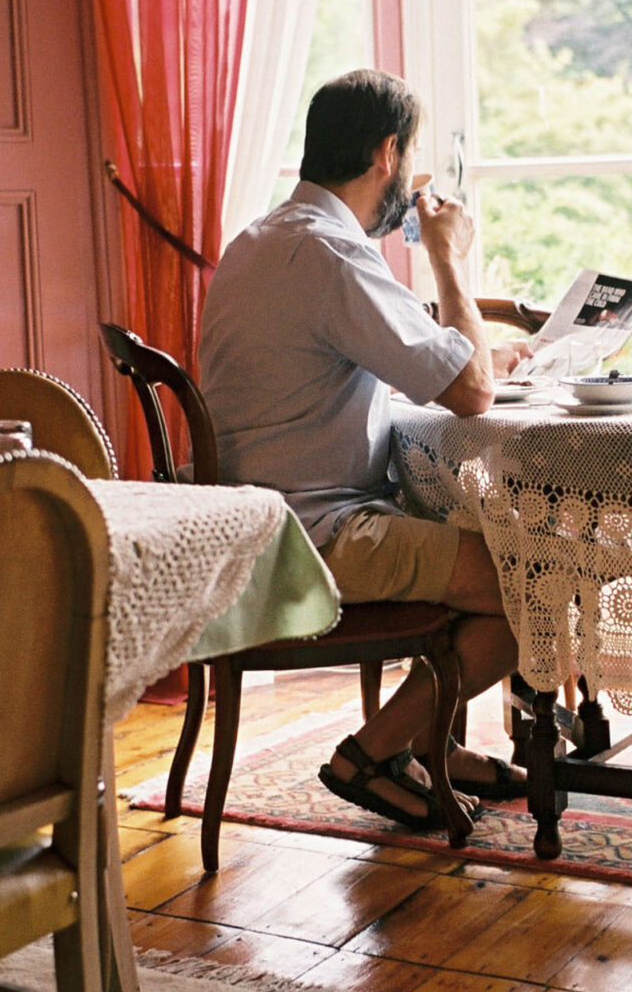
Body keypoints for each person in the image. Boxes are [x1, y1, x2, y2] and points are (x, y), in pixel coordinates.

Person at [200, 68, 530, 828]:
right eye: (408, 158)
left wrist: (486, 354)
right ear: (387, 154)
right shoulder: (333, 255)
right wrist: (447, 255)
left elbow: (410, 355)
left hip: (256, 522)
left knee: (480, 553)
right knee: (530, 583)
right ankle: (374, 751)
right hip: (315, 537)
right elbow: (471, 394)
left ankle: (429, 747)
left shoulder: (261, 241)